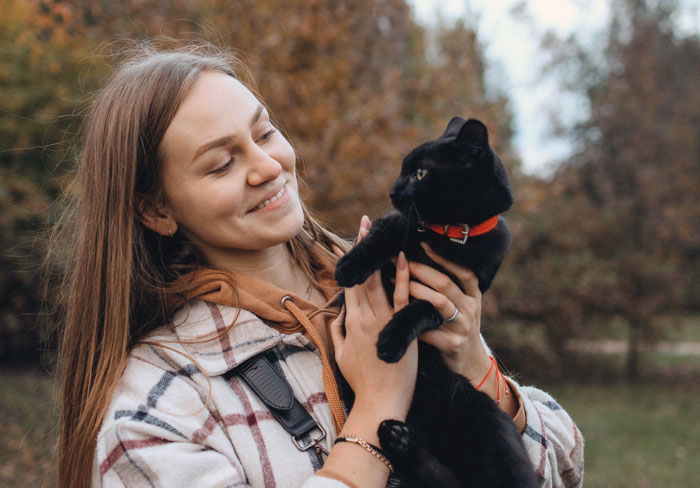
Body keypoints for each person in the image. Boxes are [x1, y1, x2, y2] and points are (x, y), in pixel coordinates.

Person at [51, 45, 584, 488]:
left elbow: (563, 464)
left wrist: (477, 367)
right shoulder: (160, 408)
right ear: (156, 210)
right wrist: (375, 412)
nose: (267, 166)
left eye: (263, 133)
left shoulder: (397, 277)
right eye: (221, 163)